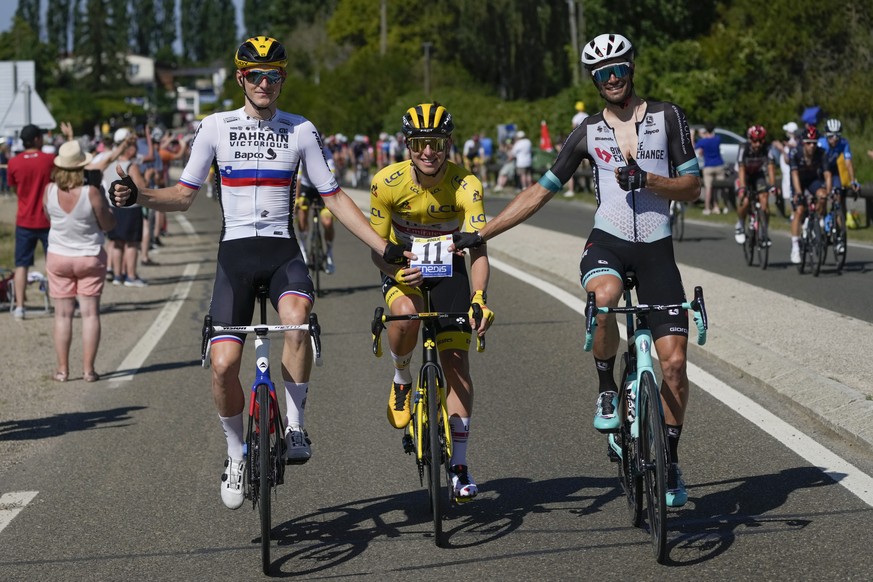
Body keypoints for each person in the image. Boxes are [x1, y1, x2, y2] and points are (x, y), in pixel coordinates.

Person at [108, 36, 408, 510]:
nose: (265, 83)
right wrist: (141, 196)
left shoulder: (302, 130)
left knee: (297, 318)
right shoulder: (214, 127)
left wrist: (383, 245)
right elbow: (184, 195)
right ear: (240, 78)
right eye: (255, 75)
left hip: (282, 252)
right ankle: (234, 453)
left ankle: (294, 425)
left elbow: (333, 198)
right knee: (224, 365)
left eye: (273, 76)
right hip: (235, 258)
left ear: (283, 79)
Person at [452, 33, 701, 507]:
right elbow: (539, 192)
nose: (611, 79)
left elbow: (692, 187)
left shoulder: (668, 117)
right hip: (607, 243)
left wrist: (649, 179)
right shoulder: (587, 131)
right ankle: (607, 387)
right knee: (604, 299)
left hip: (657, 249)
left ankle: (669, 461)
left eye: (618, 69)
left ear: (631, 67)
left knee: (673, 365)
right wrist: (482, 235)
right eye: (601, 73)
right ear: (594, 79)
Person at [369, 102, 494, 501]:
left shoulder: (466, 185)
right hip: (405, 271)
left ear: (448, 144)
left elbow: (478, 250)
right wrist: (393, 273)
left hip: (449, 273)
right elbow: (377, 248)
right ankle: (402, 376)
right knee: (403, 316)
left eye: (436, 143)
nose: (428, 152)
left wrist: (479, 298)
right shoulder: (385, 182)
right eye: (421, 143)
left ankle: (459, 466)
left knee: (455, 362)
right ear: (408, 145)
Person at [43, 140, 116, 382]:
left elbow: (48, 217)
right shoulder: (91, 192)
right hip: (88, 256)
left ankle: (62, 370)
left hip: (59, 256)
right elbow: (107, 224)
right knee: (90, 314)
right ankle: (88, 370)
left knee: (62, 315)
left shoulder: (50, 190)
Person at [8, 124, 56, 319]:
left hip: (24, 219)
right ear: (36, 139)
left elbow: (13, 189)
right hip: (47, 220)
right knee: (52, 264)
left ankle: (20, 306)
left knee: (21, 265)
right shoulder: (49, 160)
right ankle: (60, 300)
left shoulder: (14, 162)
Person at [105, 128, 149, 287]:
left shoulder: (109, 163)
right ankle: (131, 275)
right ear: (129, 148)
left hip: (113, 206)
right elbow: (141, 187)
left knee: (116, 242)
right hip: (130, 208)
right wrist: (146, 179)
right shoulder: (131, 165)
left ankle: (117, 275)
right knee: (131, 244)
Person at [789, 126, 831, 264]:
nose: (812, 146)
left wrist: (829, 191)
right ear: (803, 143)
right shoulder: (795, 153)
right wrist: (799, 193)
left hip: (813, 180)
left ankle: (817, 221)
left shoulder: (821, 153)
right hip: (798, 182)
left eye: (814, 142)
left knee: (822, 196)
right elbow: (794, 174)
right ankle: (795, 246)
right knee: (800, 210)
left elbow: (827, 174)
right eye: (808, 142)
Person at [817, 118, 861, 253]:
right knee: (823, 197)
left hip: (833, 170)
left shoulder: (843, 143)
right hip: (819, 171)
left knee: (838, 198)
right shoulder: (820, 144)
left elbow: (848, 162)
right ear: (826, 135)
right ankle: (820, 220)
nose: (834, 139)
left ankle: (840, 236)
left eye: (837, 136)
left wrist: (853, 180)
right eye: (831, 136)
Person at [296, 144, 337, 274]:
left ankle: (329, 252)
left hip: (322, 188)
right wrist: (296, 200)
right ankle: (303, 247)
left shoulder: (327, 153)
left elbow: (332, 175)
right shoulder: (303, 152)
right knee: (302, 210)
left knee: (327, 222)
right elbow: (298, 178)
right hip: (306, 188)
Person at [733, 125, 777, 245]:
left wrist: (772, 185)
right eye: (755, 140)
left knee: (764, 200)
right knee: (746, 200)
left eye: (760, 141)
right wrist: (742, 188)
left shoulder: (767, 148)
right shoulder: (744, 148)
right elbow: (741, 168)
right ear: (749, 139)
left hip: (758, 174)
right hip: (743, 175)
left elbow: (771, 167)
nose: (758, 144)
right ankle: (740, 224)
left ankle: (763, 232)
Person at [694, 124, 727, 214]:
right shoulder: (717, 139)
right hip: (719, 165)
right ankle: (723, 206)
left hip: (708, 166)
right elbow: (714, 140)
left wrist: (698, 136)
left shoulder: (703, 141)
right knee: (721, 188)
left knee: (709, 189)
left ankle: (707, 208)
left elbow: (695, 147)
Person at [772, 122, 799, 218]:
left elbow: (788, 159)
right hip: (787, 172)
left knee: (792, 193)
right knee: (790, 193)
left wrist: (782, 149)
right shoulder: (791, 142)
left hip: (790, 172)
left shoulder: (793, 143)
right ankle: (793, 212)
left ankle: (794, 213)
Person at [565, 101, 590, 197]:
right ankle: (586, 188)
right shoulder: (587, 115)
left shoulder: (576, 117)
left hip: (579, 141)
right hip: (588, 140)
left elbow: (574, 128)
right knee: (587, 168)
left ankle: (574, 188)